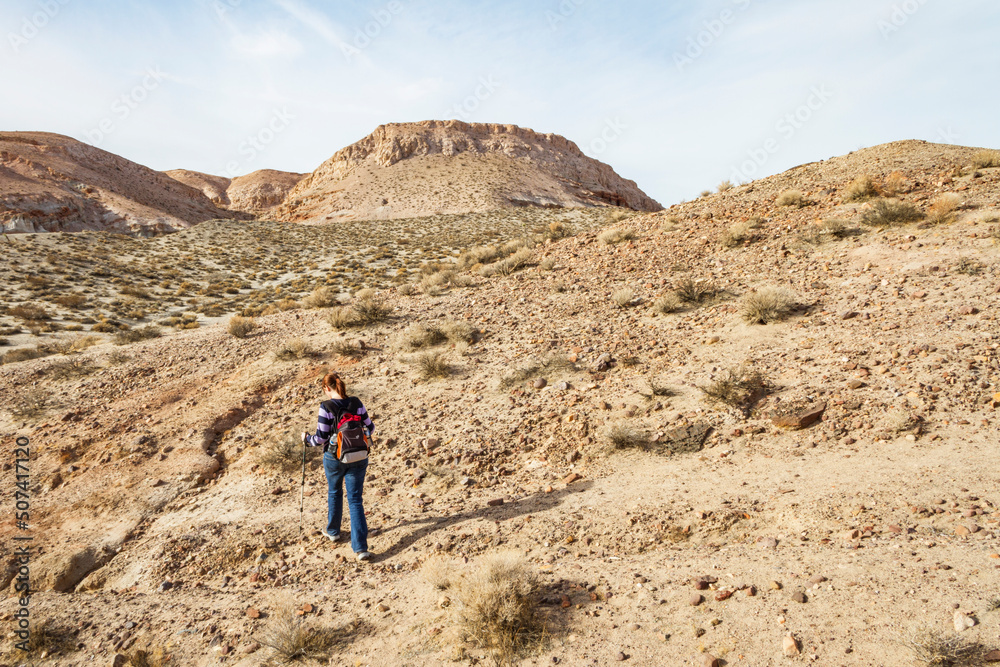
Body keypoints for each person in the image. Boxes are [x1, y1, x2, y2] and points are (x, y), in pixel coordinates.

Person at [301, 372, 375, 561]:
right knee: (355, 499)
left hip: (334, 458)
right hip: (359, 455)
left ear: (327, 388)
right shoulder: (356, 403)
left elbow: (320, 438)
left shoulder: (326, 407)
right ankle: (360, 549)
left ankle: (333, 531)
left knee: (335, 492)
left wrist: (306, 439)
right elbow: (371, 428)